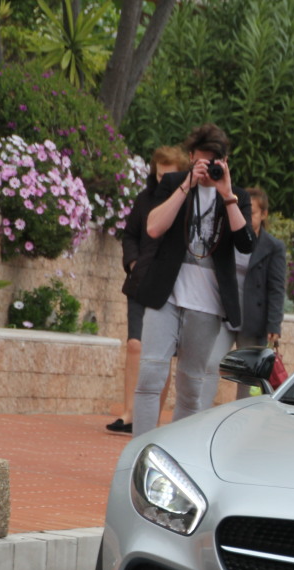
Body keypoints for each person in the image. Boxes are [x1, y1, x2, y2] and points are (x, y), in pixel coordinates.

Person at [131, 124, 255, 437]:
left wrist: (226, 196)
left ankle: (175, 458)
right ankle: (138, 452)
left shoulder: (236, 195)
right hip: (166, 297)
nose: (207, 168)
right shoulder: (174, 183)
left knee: (190, 387)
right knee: (149, 376)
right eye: (202, 161)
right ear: (190, 158)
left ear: (225, 163)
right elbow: (154, 228)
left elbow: (246, 243)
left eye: (215, 162)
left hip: (207, 306)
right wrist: (186, 185)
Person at [107, 145, 191, 434]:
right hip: (140, 280)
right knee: (135, 345)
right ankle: (130, 412)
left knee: (160, 353)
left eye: (169, 173)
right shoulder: (144, 199)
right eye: (159, 172)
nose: (162, 178)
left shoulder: (188, 203)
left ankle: (150, 418)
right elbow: (130, 234)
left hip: (168, 286)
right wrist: (131, 262)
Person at [231, 186, 287, 398]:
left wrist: (274, 324)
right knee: (209, 364)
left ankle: (240, 422)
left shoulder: (274, 247)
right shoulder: (229, 239)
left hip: (253, 322)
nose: (246, 217)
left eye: (252, 212)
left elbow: (276, 287)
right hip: (225, 315)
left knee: (246, 378)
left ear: (264, 214)